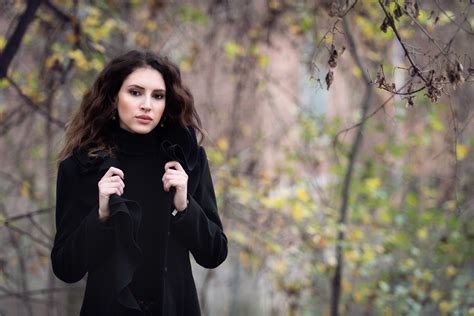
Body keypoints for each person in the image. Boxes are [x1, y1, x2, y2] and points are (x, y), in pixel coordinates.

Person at [51, 50, 228, 316]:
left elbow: (214, 253)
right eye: (135, 92)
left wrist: (185, 206)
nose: (147, 105)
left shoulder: (187, 160)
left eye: (157, 96)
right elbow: (66, 267)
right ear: (113, 98)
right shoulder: (81, 167)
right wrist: (99, 215)